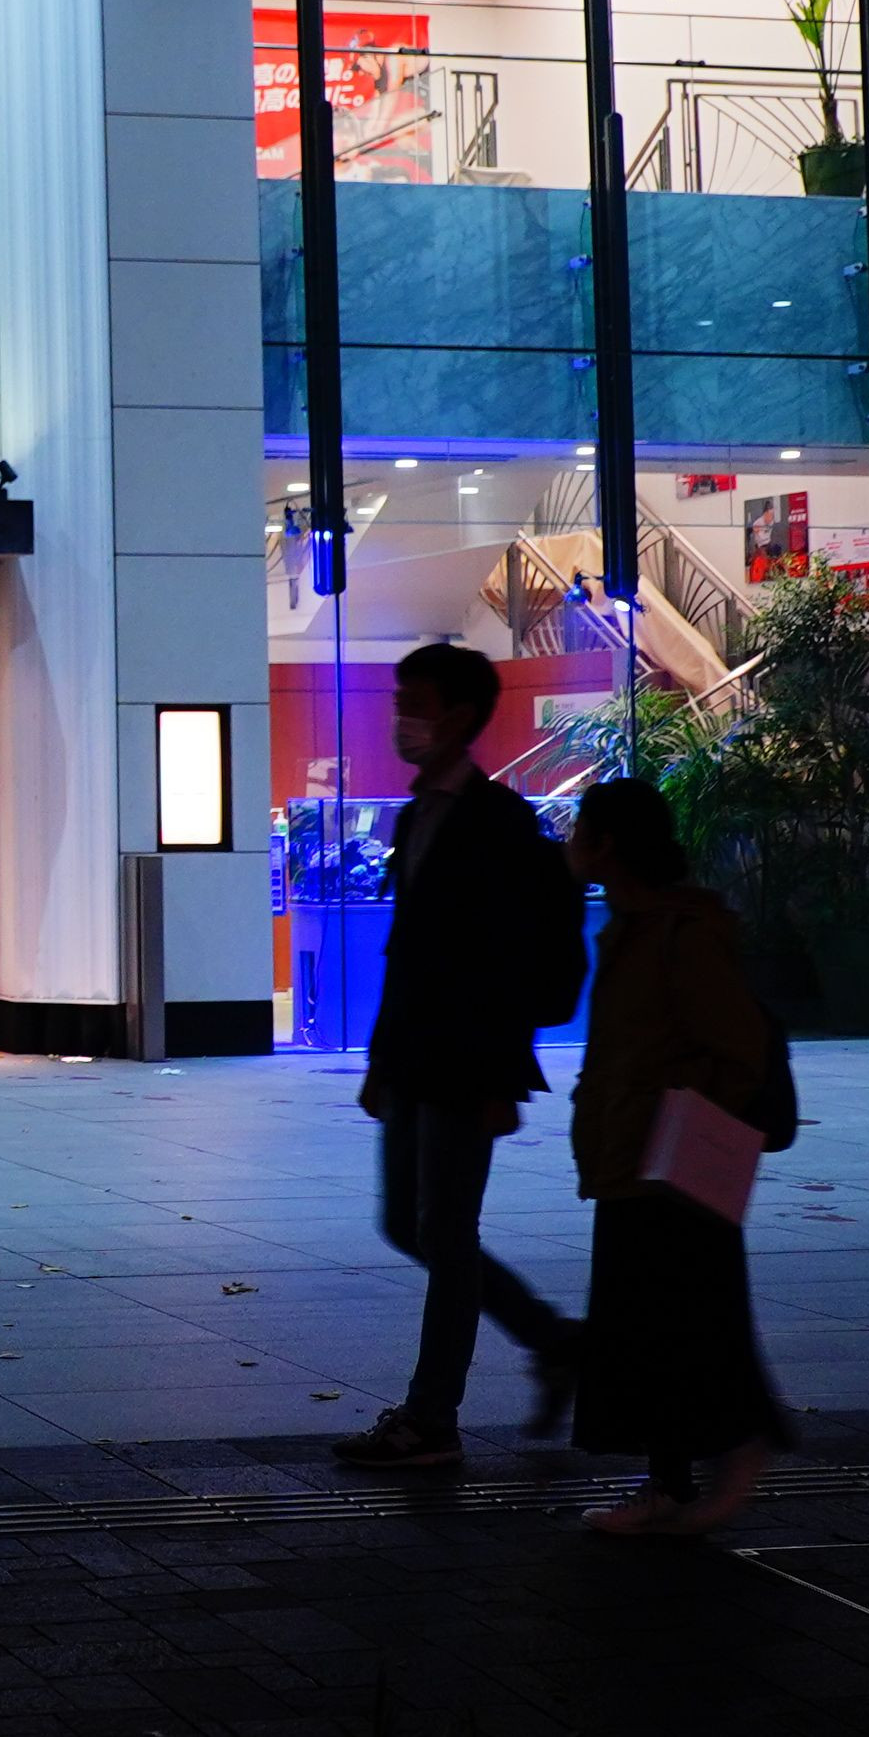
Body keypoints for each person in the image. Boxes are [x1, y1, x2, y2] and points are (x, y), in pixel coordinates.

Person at [330, 642, 588, 1470]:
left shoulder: (498, 823)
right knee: (411, 1223)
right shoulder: (418, 815)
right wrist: (381, 1061)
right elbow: (408, 952)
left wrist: (500, 1073)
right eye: (400, 700)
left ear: (461, 716)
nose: (401, 717)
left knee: (444, 1230)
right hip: (414, 1056)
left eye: (416, 702)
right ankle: (555, 1340)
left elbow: (509, 963)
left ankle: (432, 1415)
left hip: (466, 1061)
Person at [561, 776, 790, 1535]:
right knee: (652, 1325)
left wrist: (678, 1120)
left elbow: (737, 1049)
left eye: (579, 829)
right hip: (631, 1156)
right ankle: (674, 1480)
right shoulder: (633, 925)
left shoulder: (679, 933)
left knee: (683, 1321)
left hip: (668, 1163)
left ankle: (725, 1456)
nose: (569, 842)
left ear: (609, 845)